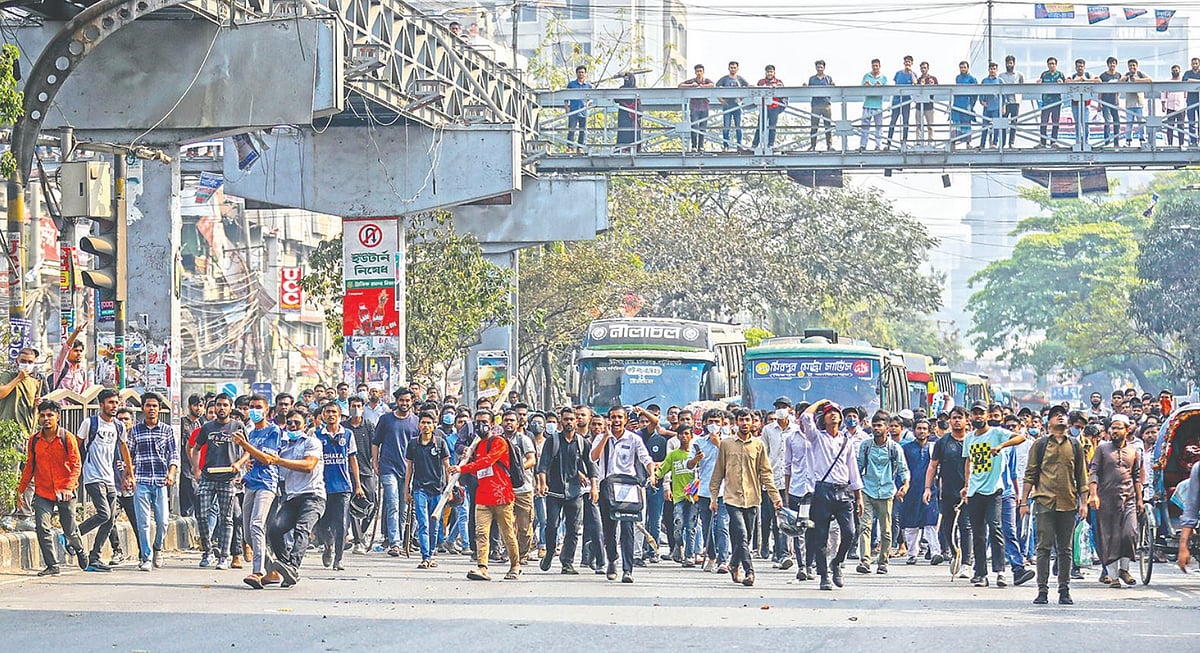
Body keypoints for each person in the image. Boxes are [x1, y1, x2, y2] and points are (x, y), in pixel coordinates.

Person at [1022, 404, 1090, 605]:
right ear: (1048, 422)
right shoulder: (1040, 444)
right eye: (1055, 415)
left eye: (1062, 415)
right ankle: (1042, 590)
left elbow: (1082, 476)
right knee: (1043, 548)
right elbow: (1030, 473)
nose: (1060, 417)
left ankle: (1064, 590)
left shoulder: (1075, 445)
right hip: (1044, 501)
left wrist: (1084, 503)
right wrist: (1023, 502)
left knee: (1065, 549)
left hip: (1068, 503)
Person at [800, 400, 864, 590]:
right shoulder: (817, 438)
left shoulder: (846, 441)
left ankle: (836, 563)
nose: (833, 415)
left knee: (850, 532)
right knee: (820, 536)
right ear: (823, 418)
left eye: (836, 412)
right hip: (823, 491)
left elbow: (853, 469)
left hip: (843, 491)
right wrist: (821, 402)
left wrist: (858, 496)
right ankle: (824, 576)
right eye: (829, 413)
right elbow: (805, 416)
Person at [17, 400, 85, 576]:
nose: (46, 419)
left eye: (50, 415)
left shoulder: (67, 437)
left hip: (65, 491)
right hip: (43, 491)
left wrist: (69, 488)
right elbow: (30, 466)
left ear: (57, 417)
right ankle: (52, 565)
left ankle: (79, 549)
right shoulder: (34, 440)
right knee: (42, 526)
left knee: (69, 529)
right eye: (42, 415)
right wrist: (20, 490)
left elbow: (76, 464)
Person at [590, 405, 658, 583]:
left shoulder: (634, 439)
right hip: (607, 486)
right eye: (613, 417)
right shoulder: (601, 437)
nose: (616, 421)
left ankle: (628, 569)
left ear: (626, 419)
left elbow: (646, 459)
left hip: (628, 487)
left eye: (620, 417)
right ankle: (612, 559)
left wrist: (651, 473)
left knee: (627, 528)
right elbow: (593, 458)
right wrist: (605, 436)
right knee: (609, 529)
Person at [962, 402, 1026, 587]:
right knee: (978, 533)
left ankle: (1000, 571)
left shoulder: (996, 433)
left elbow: (1020, 437)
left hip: (994, 490)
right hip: (975, 491)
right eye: (975, 414)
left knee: (996, 528)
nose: (978, 417)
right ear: (971, 417)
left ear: (987, 415)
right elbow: (968, 462)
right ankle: (980, 573)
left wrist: (1001, 446)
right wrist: (966, 485)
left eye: (981, 413)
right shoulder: (969, 438)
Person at [452, 421, 521, 581]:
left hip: (502, 496)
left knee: (507, 533)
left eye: (484, 422)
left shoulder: (499, 442)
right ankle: (482, 567)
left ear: (491, 425)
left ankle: (515, 565)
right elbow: (477, 466)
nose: (480, 426)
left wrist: (463, 468)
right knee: (481, 533)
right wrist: (465, 458)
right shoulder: (477, 446)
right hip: (482, 496)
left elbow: (487, 461)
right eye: (478, 422)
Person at [264, 411, 325, 588]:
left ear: (305, 425)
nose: (292, 426)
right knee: (275, 530)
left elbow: (308, 466)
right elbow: (275, 468)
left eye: (297, 423)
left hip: (313, 495)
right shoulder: (283, 447)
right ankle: (286, 565)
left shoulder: (311, 442)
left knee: (302, 529)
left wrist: (279, 461)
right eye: (289, 423)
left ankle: (292, 566)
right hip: (291, 497)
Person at [75, 388, 133, 572]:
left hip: (110, 477)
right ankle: (73, 537)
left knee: (109, 520)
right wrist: (75, 474)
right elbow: (76, 448)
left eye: (116, 403)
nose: (114, 406)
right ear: (101, 405)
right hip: (92, 475)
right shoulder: (89, 423)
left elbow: (124, 449)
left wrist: (129, 473)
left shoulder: (118, 426)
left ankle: (94, 557)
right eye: (110, 402)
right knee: (104, 513)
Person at [537, 407, 598, 574]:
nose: (569, 422)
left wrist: (594, 487)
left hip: (574, 492)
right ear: (561, 420)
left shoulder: (582, 442)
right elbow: (543, 464)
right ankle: (550, 551)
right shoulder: (553, 440)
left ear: (576, 421)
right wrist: (542, 483)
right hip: (554, 491)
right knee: (552, 525)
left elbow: (591, 465)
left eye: (572, 419)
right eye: (566, 419)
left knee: (573, 529)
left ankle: (567, 562)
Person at [1088, 414, 1143, 587]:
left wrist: (1140, 499)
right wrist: (1093, 494)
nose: (1115, 431)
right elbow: (1094, 472)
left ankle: (1124, 569)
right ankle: (1113, 576)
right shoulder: (1102, 449)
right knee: (1110, 536)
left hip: (1129, 498)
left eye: (1119, 428)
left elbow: (1136, 477)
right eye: (1113, 428)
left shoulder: (1134, 451)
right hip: (1106, 499)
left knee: (1130, 532)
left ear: (1127, 430)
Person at [236, 395, 283, 589]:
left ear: (267, 410)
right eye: (251, 407)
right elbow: (251, 456)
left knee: (257, 524)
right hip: (251, 483)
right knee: (247, 534)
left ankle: (257, 572)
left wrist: (245, 446)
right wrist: (245, 462)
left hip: (267, 483)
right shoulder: (251, 432)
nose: (254, 410)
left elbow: (267, 459)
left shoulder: (273, 431)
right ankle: (273, 569)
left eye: (258, 407)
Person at [190, 393, 242, 569]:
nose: (221, 408)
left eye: (225, 405)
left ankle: (224, 556)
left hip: (228, 479)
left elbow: (248, 450)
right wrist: (196, 469)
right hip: (208, 477)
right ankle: (208, 551)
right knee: (202, 515)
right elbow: (195, 449)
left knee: (226, 518)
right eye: (219, 405)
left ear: (230, 407)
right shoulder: (207, 427)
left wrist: (238, 464)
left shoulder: (238, 427)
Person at [129, 392, 179, 572]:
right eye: (148, 405)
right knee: (143, 523)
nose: (151, 409)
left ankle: (158, 546)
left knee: (163, 521)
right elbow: (130, 455)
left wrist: (171, 473)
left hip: (160, 481)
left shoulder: (166, 430)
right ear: (143, 408)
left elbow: (173, 454)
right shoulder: (134, 430)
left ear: (159, 409)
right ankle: (146, 556)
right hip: (141, 480)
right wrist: (128, 475)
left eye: (154, 406)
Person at [855, 416, 909, 575]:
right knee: (865, 526)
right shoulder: (865, 446)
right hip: (867, 490)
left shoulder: (894, 448)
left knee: (886, 530)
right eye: (874, 426)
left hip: (886, 492)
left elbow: (903, 469)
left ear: (887, 428)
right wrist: (855, 490)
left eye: (880, 426)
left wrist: (905, 485)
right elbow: (858, 468)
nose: (876, 429)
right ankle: (865, 560)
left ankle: (883, 561)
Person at [314, 402, 363, 571]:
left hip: (343, 486)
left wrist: (358, 485)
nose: (331, 415)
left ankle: (339, 559)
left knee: (341, 524)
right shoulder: (316, 435)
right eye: (327, 412)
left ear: (340, 415)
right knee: (321, 523)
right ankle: (328, 546)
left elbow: (353, 459)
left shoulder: (347, 435)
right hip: (321, 486)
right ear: (322, 415)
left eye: (334, 412)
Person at [925, 406, 972, 578]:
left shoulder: (972, 441)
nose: (957, 420)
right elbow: (932, 465)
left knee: (966, 526)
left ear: (967, 420)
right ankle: (955, 553)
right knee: (947, 526)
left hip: (969, 493)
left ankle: (967, 563)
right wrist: (928, 488)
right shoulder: (943, 442)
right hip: (948, 492)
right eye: (954, 418)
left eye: (960, 417)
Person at [373, 388, 418, 557]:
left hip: (408, 470)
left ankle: (405, 539)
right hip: (388, 468)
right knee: (392, 504)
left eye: (407, 400)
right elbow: (375, 442)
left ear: (412, 401)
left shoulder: (416, 422)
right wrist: (375, 462)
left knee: (404, 506)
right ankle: (395, 543)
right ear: (396, 401)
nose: (404, 403)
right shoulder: (385, 420)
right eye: (401, 400)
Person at [405, 411, 450, 568]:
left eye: (429, 423)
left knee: (434, 524)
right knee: (423, 523)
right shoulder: (413, 444)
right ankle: (425, 556)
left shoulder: (440, 443)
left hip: (437, 490)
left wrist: (449, 488)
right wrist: (406, 491)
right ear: (419, 425)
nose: (425, 426)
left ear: (434, 425)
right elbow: (409, 468)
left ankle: (431, 554)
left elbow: (447, 467)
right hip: (419, 489)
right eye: (423, 422)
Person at [689, 410, 731, 573]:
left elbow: (733, 460)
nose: (714, 424)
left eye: (717, 421)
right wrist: (696, 459)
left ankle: (723, 559)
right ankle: (712, 555)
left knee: (722, 525)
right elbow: (689, 465)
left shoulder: (728, 441)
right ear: (705, 423)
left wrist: (718, 443)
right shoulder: (698, 441)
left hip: (724, 490)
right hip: (705, 490)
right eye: (710, 421)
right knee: (707, 526)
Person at [900, 419, 942, 565]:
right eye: (919, 428)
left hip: (930, 490)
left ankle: (936, 552)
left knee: (931, 521)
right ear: (914, 430)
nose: (922, 431)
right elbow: (901, 469)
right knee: (911, 524)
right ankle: (912, 554)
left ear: (929, 432)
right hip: (911, 490)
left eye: (925, 429)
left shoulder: (934, 448)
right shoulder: (906, 449)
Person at [760, 408, 796, 567]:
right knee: (775, 519)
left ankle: (785, 553)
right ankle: (779, 551)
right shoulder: (767, 430)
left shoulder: (796, 430)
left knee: (788, 517)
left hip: (792, 481)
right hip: (772, 481)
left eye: (784, 405)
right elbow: (764, 454)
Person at [344, 395, 377, 553]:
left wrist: (376, 463)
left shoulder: (369, 426)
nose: (355, 408)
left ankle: (362, 532)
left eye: (358, 405)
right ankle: (357, 540)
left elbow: (375, 446)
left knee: (372, 503)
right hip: (348, 471)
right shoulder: (344, 427)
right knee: (353, 505)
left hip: (366, 470)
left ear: (363, 408)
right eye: (353, 405)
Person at [1, 347, 42, 438]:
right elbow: (1, 393)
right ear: (17, 361)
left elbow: (34, 410)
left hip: (27, 433)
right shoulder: (7, 376)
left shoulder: (35, 383)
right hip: (7, 432)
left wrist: (36, 404)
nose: (26, 364)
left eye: (30, 362)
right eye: (23, 361)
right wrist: (19, 378)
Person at [178, 394, 204, 518]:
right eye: (195, 405)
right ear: (189, 407)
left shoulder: (200, 425)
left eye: (200, 406)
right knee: (193, 495)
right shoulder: (183, 423)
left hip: (197, 467)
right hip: (185, 466)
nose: (198, 408)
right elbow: (186, 447)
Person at [678, 64, 715, 152]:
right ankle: (694, 146)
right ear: (695, 72)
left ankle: (701, 146)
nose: (699, 73)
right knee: (694, 126)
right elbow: (680, 85)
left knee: (703, 127)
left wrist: (702, 86)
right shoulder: (692, 81)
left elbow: (712, 85)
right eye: (697, 71)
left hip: (704, 106)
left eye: (700, 71)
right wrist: (691, 85)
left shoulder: (706, 80)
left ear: (703, 72)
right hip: (694, 107)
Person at [715, 61, 749, 150]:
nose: (733, 69)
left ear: (737, 68)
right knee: (726, 126)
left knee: (738, 126)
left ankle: (739, 146)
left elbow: (748, 87)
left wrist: (742, 97)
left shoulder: (740, 79)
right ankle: (726, 146)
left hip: (737, 105)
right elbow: (715, 88)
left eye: (734, 68)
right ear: (728, 68)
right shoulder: (724, 79)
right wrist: (720, 99)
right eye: (731, 67)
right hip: (727, 105)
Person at [49, 320, 89, 393]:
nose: (79, 353)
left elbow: (83, 394)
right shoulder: (61, 366)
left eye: (80, 351)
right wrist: (76, 332)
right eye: (75, 351)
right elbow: (66, 347)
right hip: (59, 404)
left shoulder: (82, 372)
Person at [753, 65, 786, 150]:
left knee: (772, 127)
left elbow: (783, 92)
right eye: (768, 72)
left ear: (774, 73)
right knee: (760, 127)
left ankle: (770, 145)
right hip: (763, 107)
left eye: (771, 72)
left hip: (774, 107)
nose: (769, 73)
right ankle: (754, 145)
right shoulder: (761, 82)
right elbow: (756, 92)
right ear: (766, 73)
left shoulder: (778, 82)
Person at [886, 55, 916, 147]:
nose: (907, 63)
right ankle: (888, 142)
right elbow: (895, 86)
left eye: (909, 62)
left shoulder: (913, 74)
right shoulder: (898, 73)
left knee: (905, 122)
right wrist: (891, 103)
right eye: (906, 61)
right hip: (896, 100)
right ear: (904, 62)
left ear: (911, 63)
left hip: (906, 101)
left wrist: (911, 73)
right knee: (893, 121)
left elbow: (915, 83)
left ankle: (904, 142)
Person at [1122, 59, 1152, 146]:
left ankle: (1142, 139)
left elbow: (1150, 80)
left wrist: (1137, 80)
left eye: (1133, 65)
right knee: (1129, 123)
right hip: (1129, 104)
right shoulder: (1126, 75)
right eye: (1130, 65)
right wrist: (1125, 79)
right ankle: (1128, 140)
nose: (1132, 67)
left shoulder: (1140, 74)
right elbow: (1120, 81)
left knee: (1141, 123)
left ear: (1137, 66)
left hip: (1139, 104)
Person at [860, 59, 888, 150]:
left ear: (879, 66)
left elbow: (887, 90)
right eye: (873, 66)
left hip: (878, 106)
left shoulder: (883, 77)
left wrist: (880, 87)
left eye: (876, 66)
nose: (875, 67)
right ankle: (863, 145)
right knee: (865, 126)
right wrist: (866, 85)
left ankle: (878, 145)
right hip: (867, 104)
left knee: (878, 127)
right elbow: (861, 88)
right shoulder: (866, 76)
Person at [807, 60, 835, 151]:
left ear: (824, 68)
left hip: (826, 104)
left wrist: (833, 86)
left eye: (821, 67)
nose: (819, 69)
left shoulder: (828, 78)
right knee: (814, 126)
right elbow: (809, 90)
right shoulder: (812, 79)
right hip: (815, 105)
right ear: (816, 68)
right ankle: (813, 145)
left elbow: (833, 90)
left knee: (828, 126)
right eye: (818, 67)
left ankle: (829, 145)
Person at [1037, 57, 1065, 147]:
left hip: (1056, 101)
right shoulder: (1044, 74)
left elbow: (1066, 87)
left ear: (1056, 65)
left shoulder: (1060, 74)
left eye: (1053, 63)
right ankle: (1043, 142)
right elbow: (1039, 84)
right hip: (1046, 101)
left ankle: (1053, 141)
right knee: (1044, 122)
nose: (1051, 65)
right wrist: (1039, 82)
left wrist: (1062, 83)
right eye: (1049, 64)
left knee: (1055, 122)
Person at [998, 55, 1024, 147]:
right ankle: (1003, 143)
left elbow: (1022, 87)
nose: (1009, 65)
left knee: (1014, 122)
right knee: (1003, 122)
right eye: (1007, 63)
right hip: (1004, 103)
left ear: (1014, 64)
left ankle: (1011, 142)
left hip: (1015, 102)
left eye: (1011, 63)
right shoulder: (1001, 76)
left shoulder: (1019, 75)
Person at [564, 65, 592, 151]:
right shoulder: (571, 84)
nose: (581, 74)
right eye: (579, 72)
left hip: (583, 111)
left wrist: (588, 103)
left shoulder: (588, 86)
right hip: (573, 109)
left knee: (582, 130)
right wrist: (566, 107)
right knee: (572, 129)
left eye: (582, 72)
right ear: (576, 74)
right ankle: (570, 147)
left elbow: (592, 98)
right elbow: (566, 96)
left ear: (585, 74)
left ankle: (580, 147)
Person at [950, 61, 977, 149]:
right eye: (961, 67)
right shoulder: (958, 78)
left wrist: (972, 104)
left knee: (966, 123)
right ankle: (953, 143)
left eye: (964, 67)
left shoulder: (972, 79)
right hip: (957, 104)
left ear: (968, 68)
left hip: (966, 103)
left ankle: (968, 144)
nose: (963, 69)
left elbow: (975, 93)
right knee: (955, 123)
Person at [1097, 57, 1123, 148]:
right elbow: (1100, 90)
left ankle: (1116, 142)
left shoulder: (1118, 75)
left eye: (1114, 63)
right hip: (1105, 102)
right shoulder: (1103, 76)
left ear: (1116, 64)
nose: (1112, 65)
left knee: (1117, 121)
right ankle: (1107, 142)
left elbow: (1120, 89)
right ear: (1108, 64)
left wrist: (1118, 98)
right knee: (1107, 122)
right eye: (1110, 63)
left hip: (1115, 102)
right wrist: (1099, 103)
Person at [1068, 59, 1093, 145]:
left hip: (1086, 103)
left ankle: (1086, 141)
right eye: (1078, 66)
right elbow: (1067, 81)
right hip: (1075, 103)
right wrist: (1076, 81)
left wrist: (1085, 80)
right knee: (1077, 123)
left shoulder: (1088, 75)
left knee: (1085, 123)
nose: (1080, 68)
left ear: (1084, 67)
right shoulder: (1073, 75)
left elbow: (1098, 81)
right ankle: (1078, 141)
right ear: (1075, 67)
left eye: (1081, 66)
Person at [979, 62, 1004, 149]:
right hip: (987, 107)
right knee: (984, 126)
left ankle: (994, 143)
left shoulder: (1000, 81)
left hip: (996, 106)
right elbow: (980, 92)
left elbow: (1004, 95)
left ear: (997, 70)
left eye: (994, 69)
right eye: (991, 69)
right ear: (988, 70)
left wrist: (1003, 106)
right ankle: (982, 144)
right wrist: (981, 101)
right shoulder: (984, 81)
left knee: (996, 126)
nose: (992, 71)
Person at [615, 73, 641, 152]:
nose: (626, 81)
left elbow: (638, 102)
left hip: (633, 116)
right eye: (625, 79)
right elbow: (615, 99)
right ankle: (623, 148)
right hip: (624, 114)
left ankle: (634, 148)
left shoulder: (635, 89)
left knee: (634, 132)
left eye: (628, 79)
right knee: (624, 132)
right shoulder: (622, 88)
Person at [1163, 64, 1187, 147]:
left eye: (1176, 70)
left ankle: (1181, 144)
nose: (1175, 72)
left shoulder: (1183, 82)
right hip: (1170, 107)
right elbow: (1164, 93)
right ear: (1171, 71)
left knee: (1181, 126)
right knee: (1170, 127)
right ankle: (1170, 144)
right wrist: (1163, 104)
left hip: (1181, 107)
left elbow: (1185, 94)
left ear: (1179, 71)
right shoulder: (1168, 81)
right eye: (1173, 70)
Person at [915, 61, 938, 144]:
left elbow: (936, 91)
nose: (923, 69)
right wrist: (920, 85)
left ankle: (930, 142)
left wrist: (932, 85)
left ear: (928, 68)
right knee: (918, 125)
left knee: (930, 125)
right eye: (922, 68)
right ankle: (918, 141)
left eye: (924, 68)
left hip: (929, 106)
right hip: (919, 106)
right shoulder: (918, 79)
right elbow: (915, 92)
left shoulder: (933, 79)